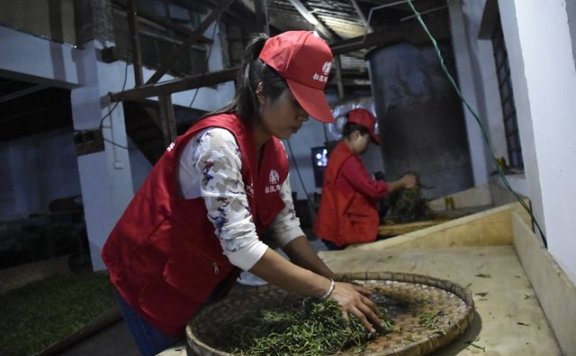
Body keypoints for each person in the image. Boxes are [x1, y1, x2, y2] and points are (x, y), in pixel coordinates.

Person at [101, 31, 383, 356]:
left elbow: (284, 225)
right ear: (262, 91)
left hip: (203, 276)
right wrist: (329, 290)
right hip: (152, 281)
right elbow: (242, 249)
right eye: (297, 103)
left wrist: (332, 280)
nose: (304, 115)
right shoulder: (217, 144)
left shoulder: (275, 151)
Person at [313, 108, 417, 250]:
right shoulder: (348, 160)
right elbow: (372, 189)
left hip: (332, 224)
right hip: (338, 228)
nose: (368, 146)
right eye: (368, 140)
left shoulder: (340, 152)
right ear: (356, 135)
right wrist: (402, 183)